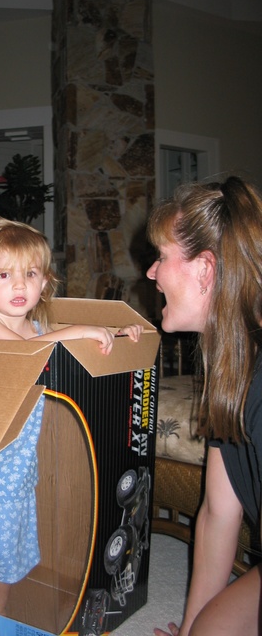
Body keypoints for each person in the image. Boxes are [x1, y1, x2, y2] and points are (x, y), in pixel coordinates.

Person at [0, 215, 143, 615]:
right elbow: (23, 354)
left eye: (30, 273)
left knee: (2, 550)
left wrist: (117, 337)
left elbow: (63, 348)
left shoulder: (36, 327)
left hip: (11, 470)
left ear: (45, 282)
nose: (19, 284)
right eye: (3, 274)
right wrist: (77, 331)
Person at [146, 175, 262, 636]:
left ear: (206, 270)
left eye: (161, 257)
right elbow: (217, 510)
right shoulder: (232, 368)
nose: (152, 273)